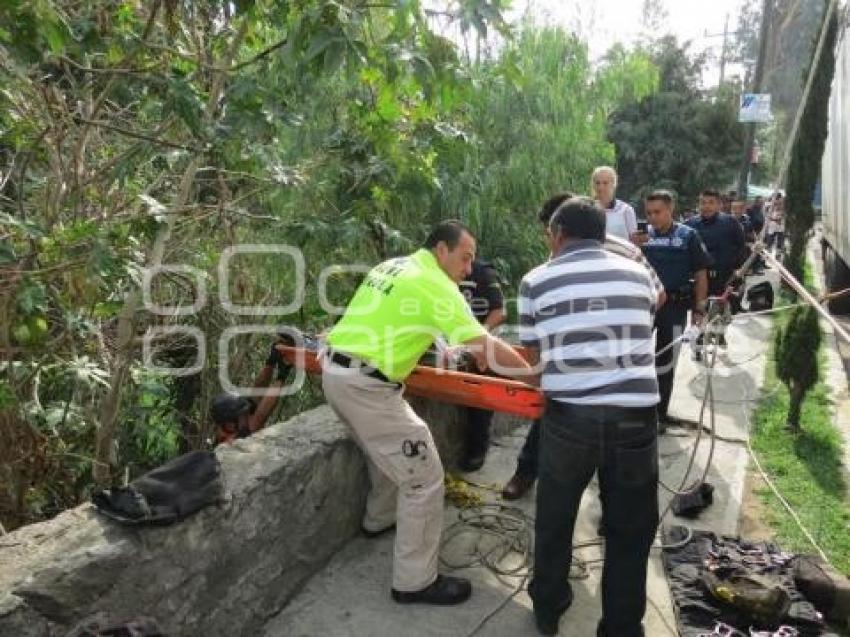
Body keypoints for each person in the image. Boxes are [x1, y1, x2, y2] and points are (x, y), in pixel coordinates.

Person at [321, 220, 533, 606]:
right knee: (425, 477)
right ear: (442, 250)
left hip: (337, 373)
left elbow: (398, 323)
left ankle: (379, 519)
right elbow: (483, 343)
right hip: (367, 387)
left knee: (386, 452)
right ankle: (414, 581)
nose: (469, 269)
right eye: (465, 258)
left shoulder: (393, 266)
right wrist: (533, 376)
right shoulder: (435, 284)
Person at [520, 197, 660, 636]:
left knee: (555, 515)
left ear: (557, 235)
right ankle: (621, 626)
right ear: (604, 235)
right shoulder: (640, 275)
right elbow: (647, 318)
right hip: (636, 419)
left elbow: (532, 359)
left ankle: (548, 605)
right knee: (630, 529)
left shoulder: (535, 281)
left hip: (568, 420)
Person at [501, 192, 665, 501]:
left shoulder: (619, 255)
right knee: (629, 511)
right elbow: (657, 296)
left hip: (575, 403)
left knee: (557, 509)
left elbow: (535, 353)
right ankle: (528, 472)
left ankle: (536, 476)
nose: (548, 242)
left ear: (560, 232)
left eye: (549, 234)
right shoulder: (574, 259)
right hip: (632, 406)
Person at [640, 191, 711, 431]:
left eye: (657, 212)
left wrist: (699, 310)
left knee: (666, 361)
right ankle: (635, 410)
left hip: (675, 306)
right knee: (634, 357)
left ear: (670, 209)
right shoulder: (641, 237)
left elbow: (700, 274)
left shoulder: (687, 236)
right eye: (648, 213)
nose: (652, 217)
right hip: (644, 307)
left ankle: (659, 415)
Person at [458, 259, 506, 471]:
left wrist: (479, 336)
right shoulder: (437, 275)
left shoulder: (482, 273)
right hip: (454, 342)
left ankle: (477, 449)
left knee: (480, 396)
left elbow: (500, 312)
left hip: (483, 340)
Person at [211, 343, 292, 444]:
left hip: (233, 428)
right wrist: (282, 374)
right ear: (229, 424)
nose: (246, 416)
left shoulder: (228, 426)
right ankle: (282, 370)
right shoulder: (233, 439)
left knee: (252, 401)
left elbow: (255, 397)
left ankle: (273, 358)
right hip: (239, 451)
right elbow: (260, 417)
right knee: (253, 426)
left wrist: (271, 361)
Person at [686, 188, 747, 297]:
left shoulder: (731, 223)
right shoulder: (690, 225)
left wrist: (737, 269)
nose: (706, 206)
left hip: (725, 279)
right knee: (700, 311)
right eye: (703, 203)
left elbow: (741, 247)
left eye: (711, 203)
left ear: (719, 205)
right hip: (698, 279)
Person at [591, 165, 637, 242]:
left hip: (620, 253)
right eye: (597, 183)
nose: (600, 187)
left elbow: (634, 240)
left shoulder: (625, 210)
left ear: (614, 184)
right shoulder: (586, 209)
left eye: (605, 183)